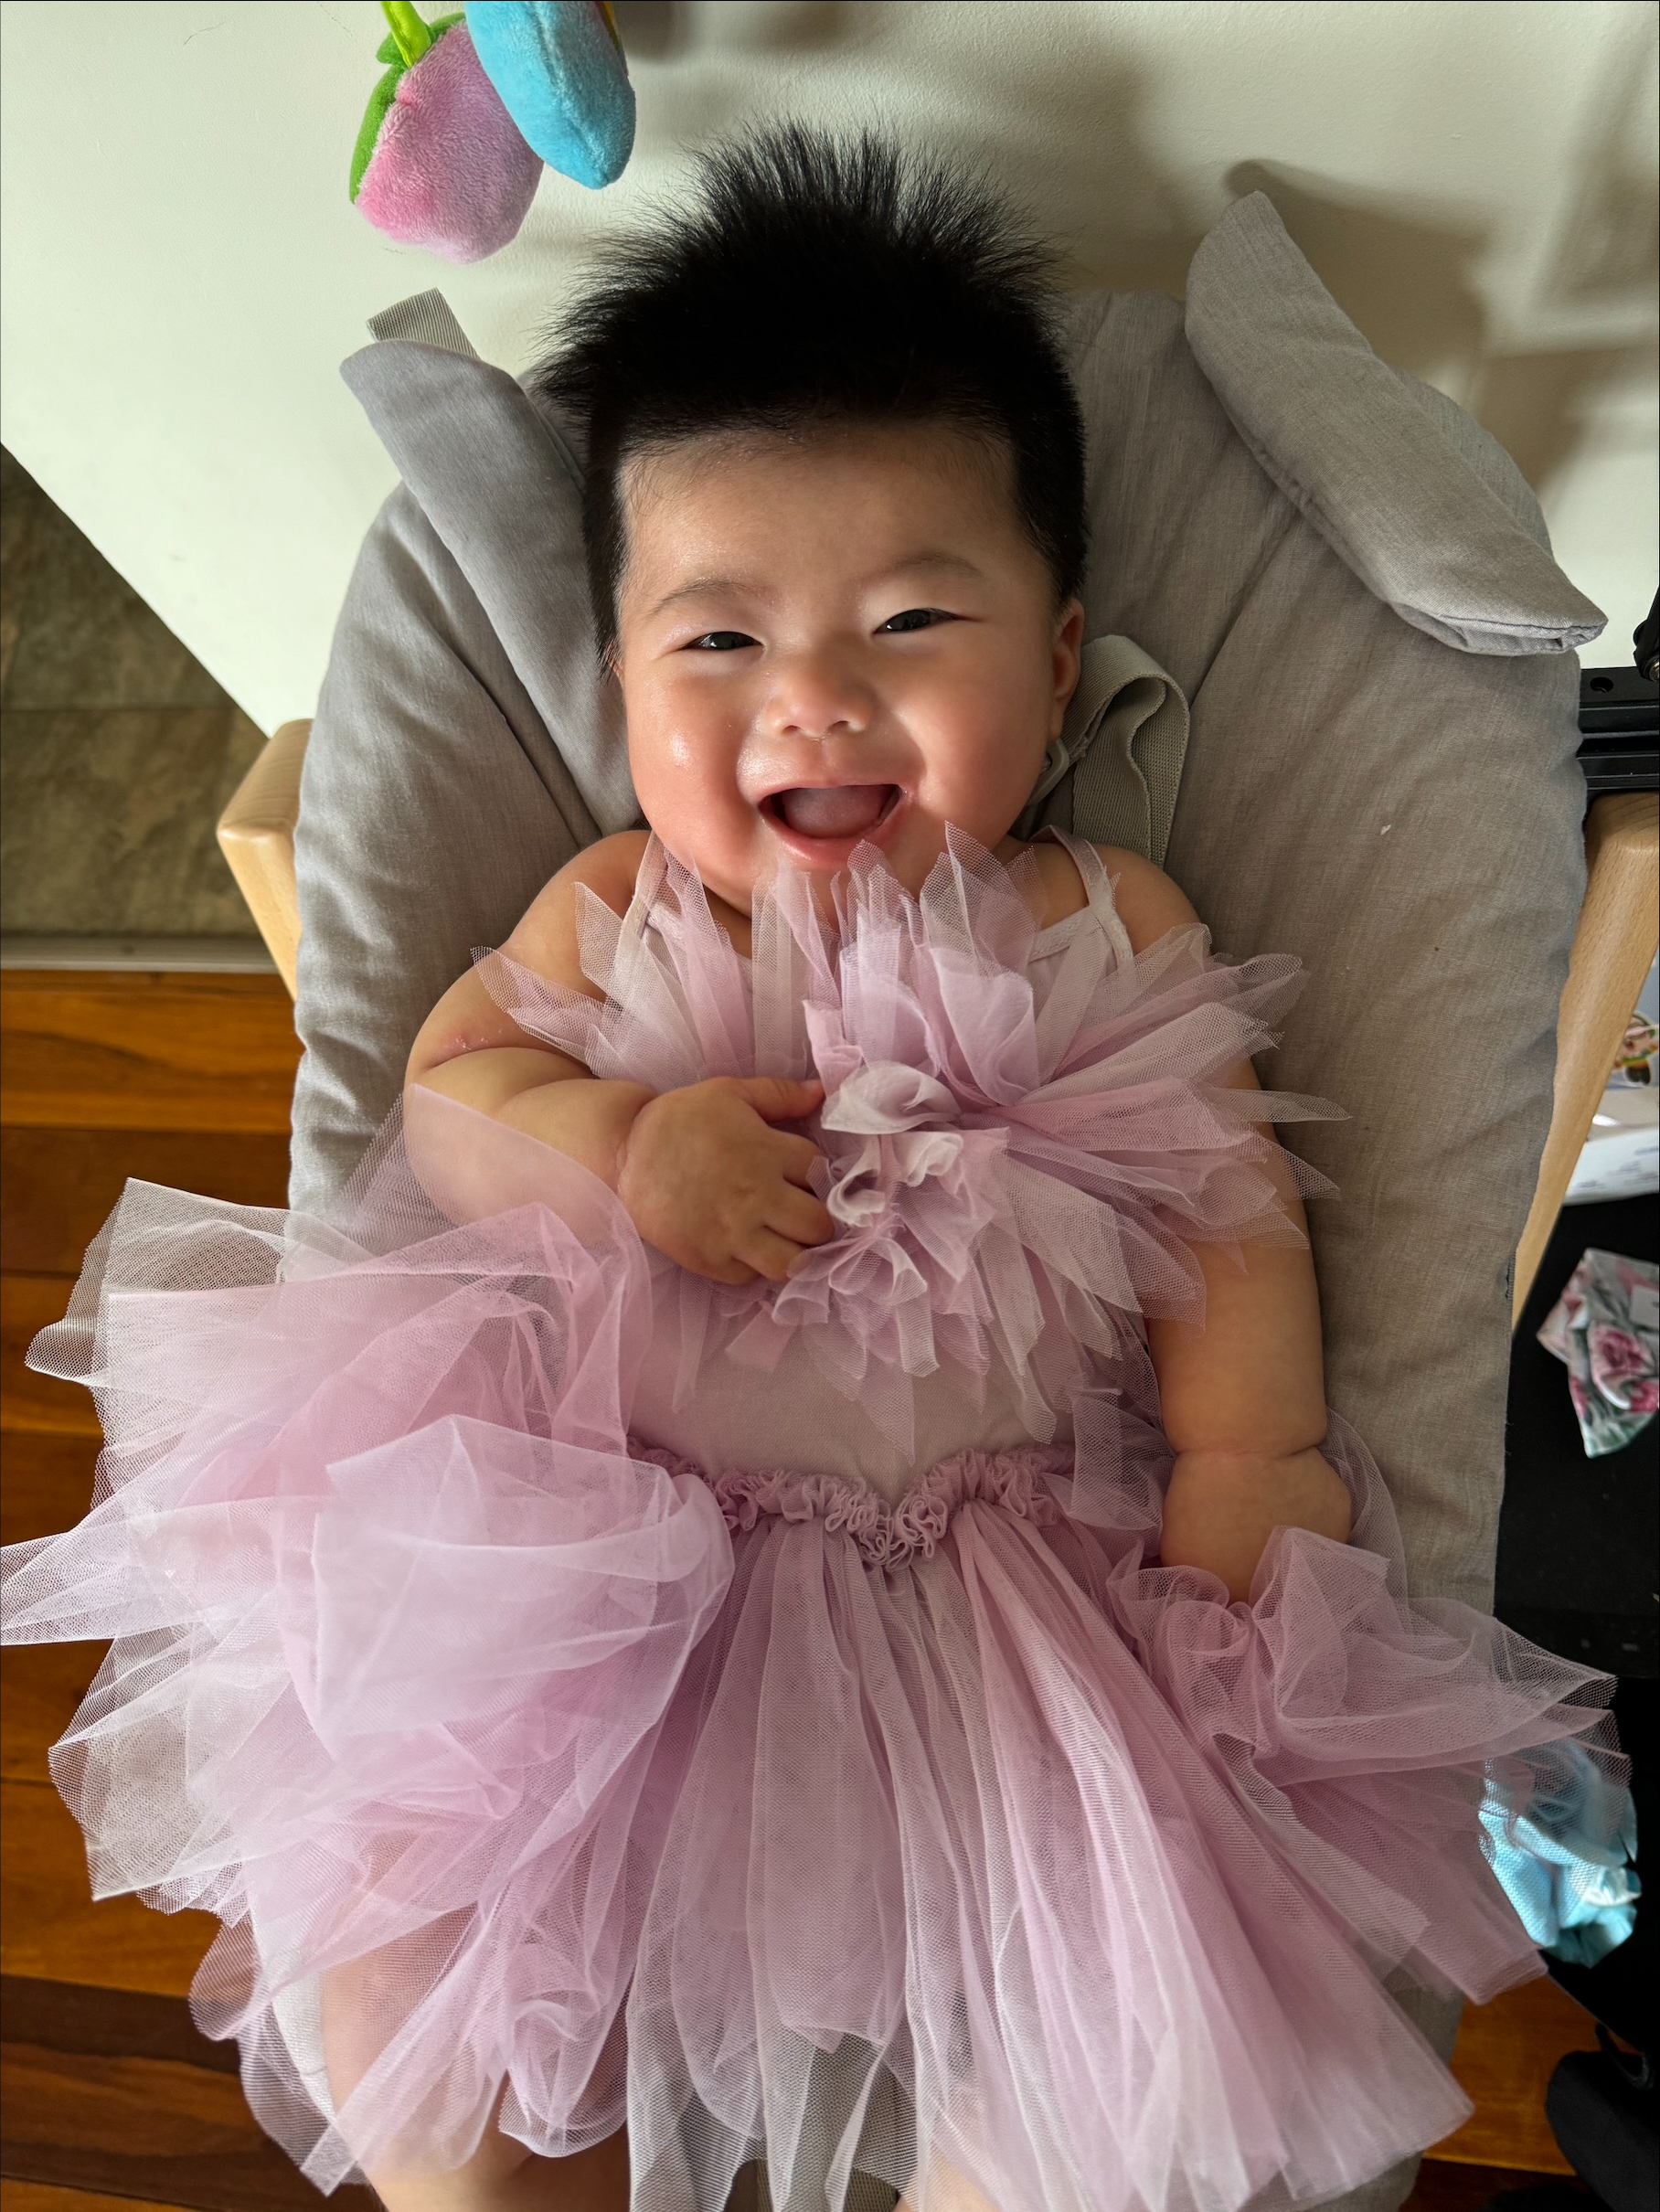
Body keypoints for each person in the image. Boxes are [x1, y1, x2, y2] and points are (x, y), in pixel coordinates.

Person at [2, 128, 1633, 2212]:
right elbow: (444, 1088)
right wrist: (606, 1139)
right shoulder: (612, 906)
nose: (817, 697)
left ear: (1055, 670)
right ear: (618, 691)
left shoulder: (1093, 920)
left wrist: (1251, 1490)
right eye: (716, 645)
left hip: (1007, 1612)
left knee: (1113, 2035)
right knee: (422, 1975)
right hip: (609, 1598)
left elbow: (1227, 1212)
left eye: (912, 616)